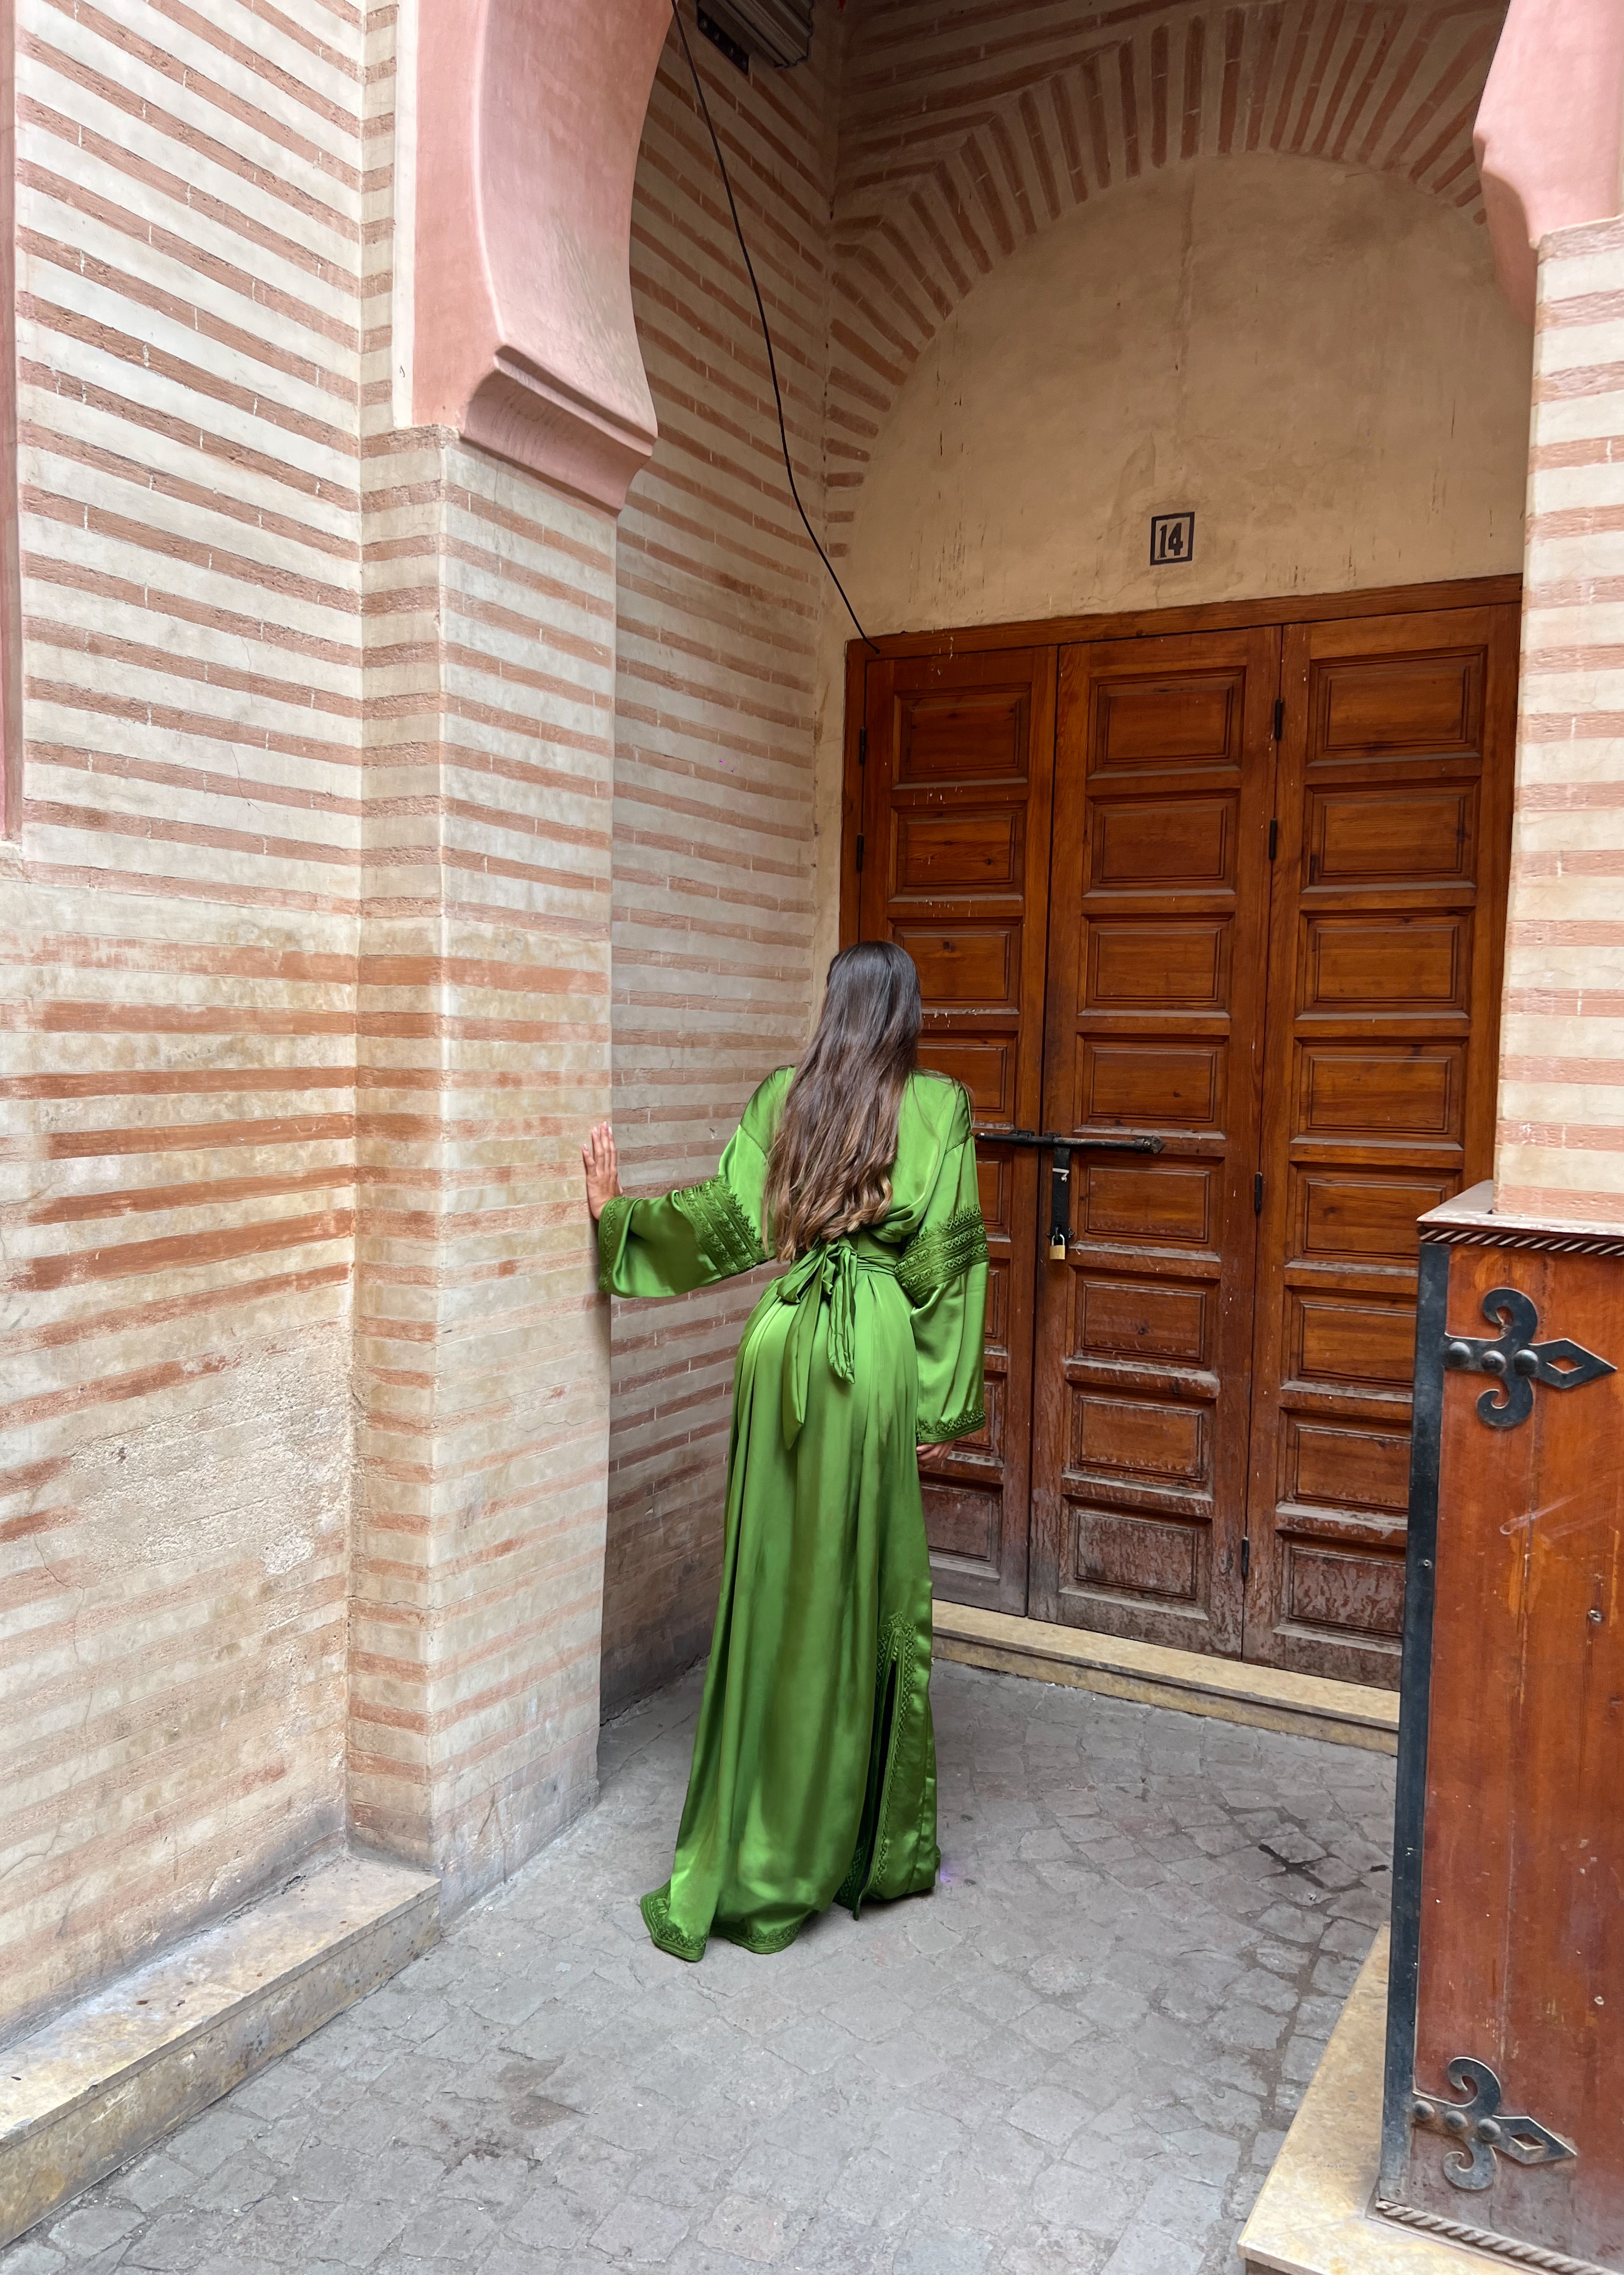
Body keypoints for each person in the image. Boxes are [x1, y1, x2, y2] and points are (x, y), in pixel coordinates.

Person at [582, 941, 988, 1961]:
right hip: (878, 1354)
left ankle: (755, 1834)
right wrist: (937, 1412)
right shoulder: (940, 1109)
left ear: (832, 1008)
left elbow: (726, 1227)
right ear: (906, 1013)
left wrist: (619, 1222)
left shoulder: (784, 1096)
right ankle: (860, 1840)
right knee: (866, 1585)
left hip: (783, 1346)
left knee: (773, 1584)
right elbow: (947, 1268)